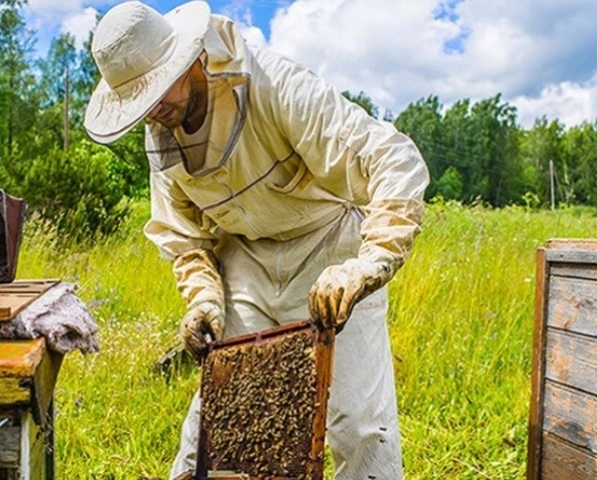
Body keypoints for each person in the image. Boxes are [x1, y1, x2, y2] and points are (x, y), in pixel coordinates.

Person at [84, 2, 429, 479]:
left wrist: (369, 263)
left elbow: (393, 158)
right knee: (217, 419)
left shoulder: (275, 84)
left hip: (328, 244)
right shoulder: (159, 134)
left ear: (188, 59)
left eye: (158, 90)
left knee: (358, 424)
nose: (154, 110)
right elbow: (184, 237)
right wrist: (204, 300)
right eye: (141, 102)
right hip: (244, 254)